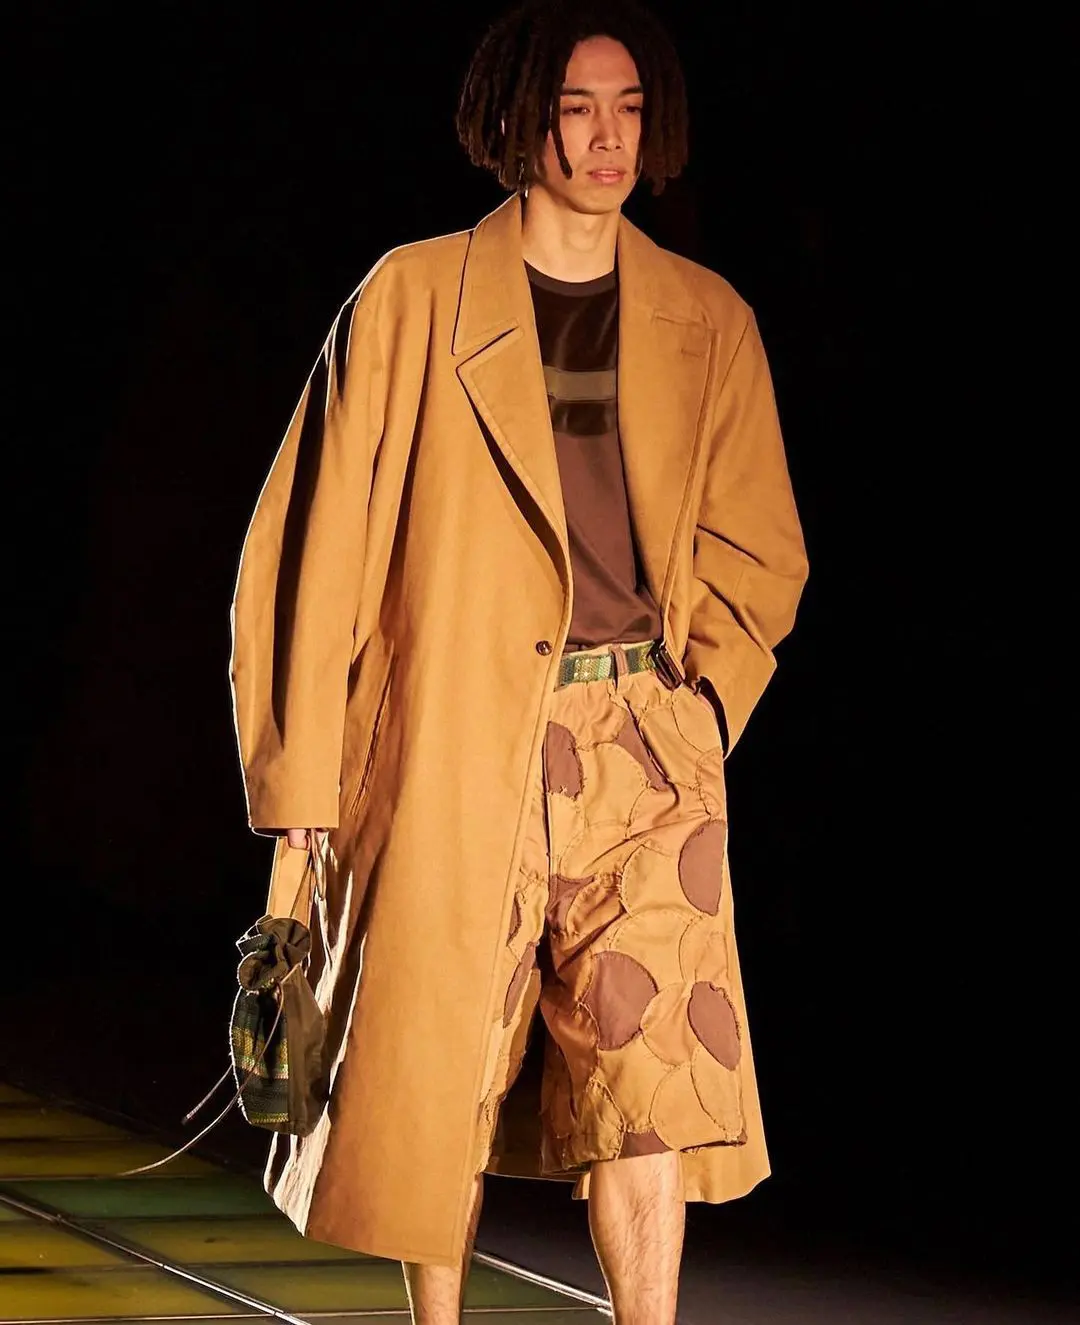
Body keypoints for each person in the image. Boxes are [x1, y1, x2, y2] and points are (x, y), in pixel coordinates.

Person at [229, 2, 808, 1321]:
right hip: (459, 731)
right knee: (440, 1071)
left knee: (654, 1090)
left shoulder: (705, 320)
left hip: (645, 743)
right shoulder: (412, 299)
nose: (607, 139)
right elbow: (311, 549)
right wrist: (303, 792)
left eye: (629, 111)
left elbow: (762, 543)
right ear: (515, 119)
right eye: (576, 108)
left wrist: (705, 704)